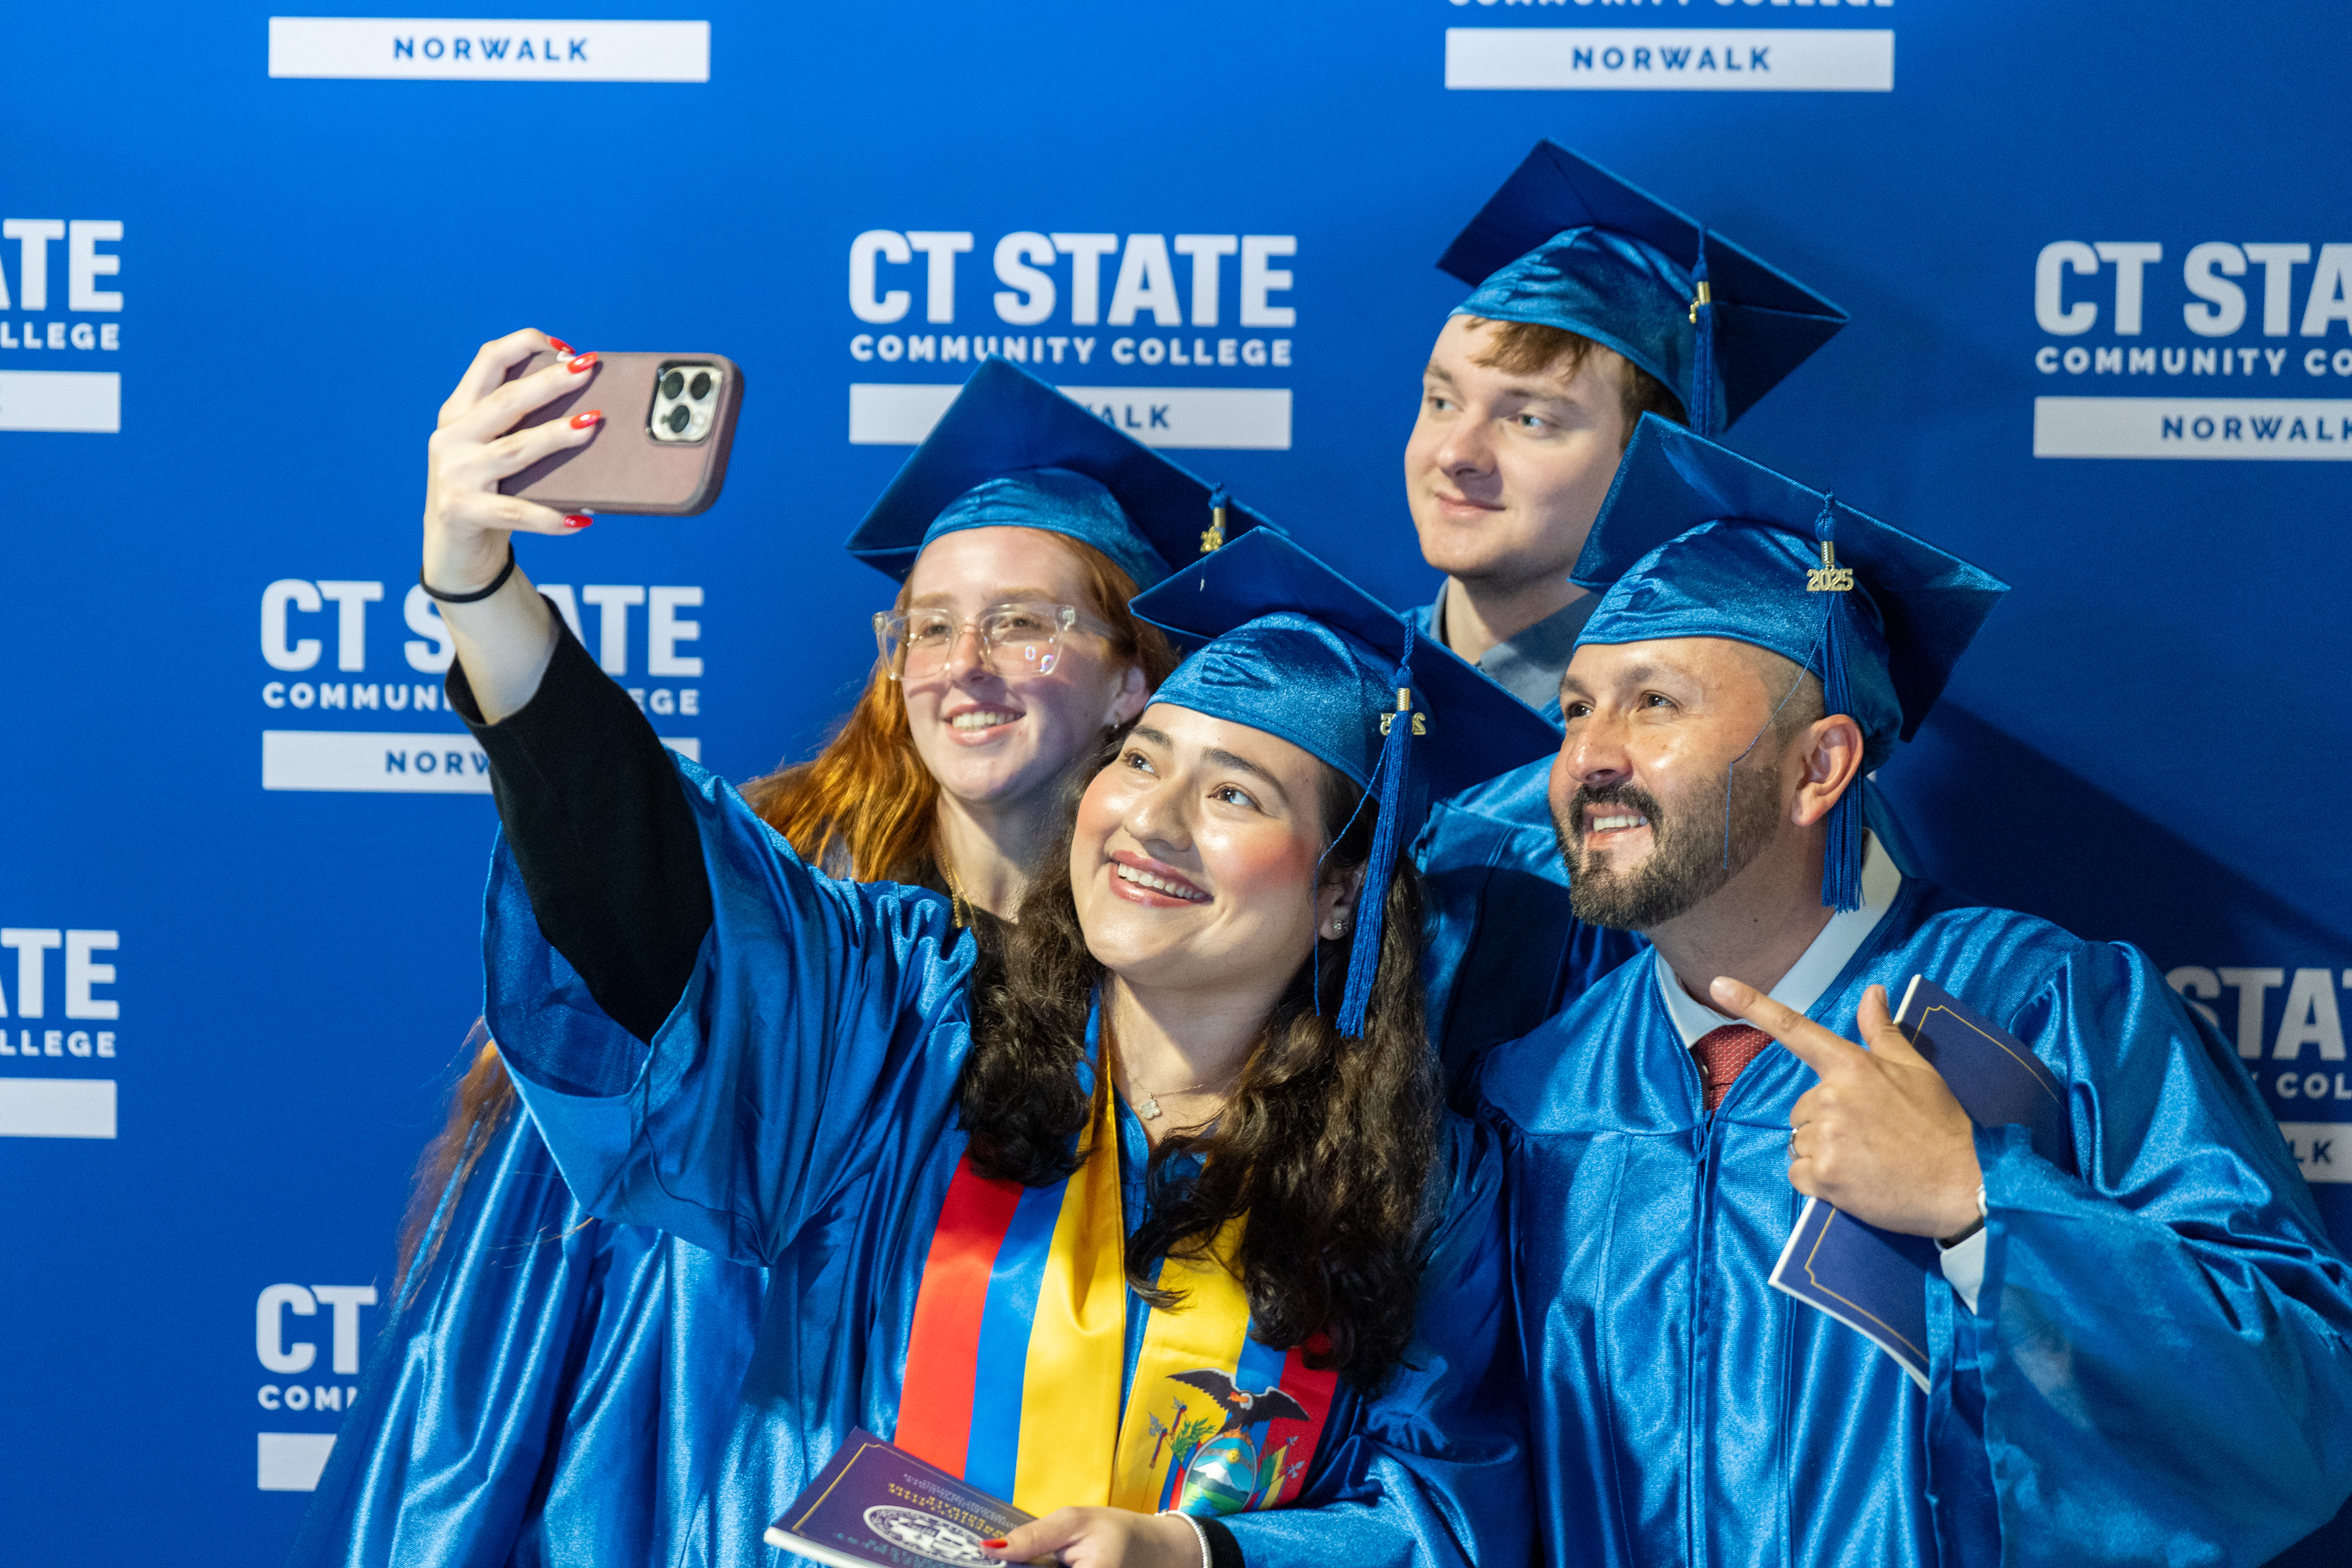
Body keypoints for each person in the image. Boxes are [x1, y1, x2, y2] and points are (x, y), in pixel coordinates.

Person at [381, 324, 1552, 1568]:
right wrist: (481, 593)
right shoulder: (909, 1035)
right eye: (1145, 764)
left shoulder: (1424, 1184)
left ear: (1341, 896)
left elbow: (1448, 1517)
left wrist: (1201, 1557)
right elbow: (646, 872)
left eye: (1234, 796)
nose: (1148, 816)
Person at [293, 349, 1253, 1565]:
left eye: (1023, 625)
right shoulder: (817, 939)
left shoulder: (1180, 999)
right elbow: (623, 841)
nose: (963, 665)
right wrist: (479, 593)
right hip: (705, 1467)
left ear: (1132, 681)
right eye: (930, 627)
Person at [1481, 415, 2352, 1566]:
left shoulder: (2049, 1012)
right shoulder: (1529, 1092)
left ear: (1821, 767)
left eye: (1654, 704)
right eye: (1577, 708)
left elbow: (2301, 1414)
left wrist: (1980, 1202)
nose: (1589, 756)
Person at [1403, 142, 1853, 1099]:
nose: (1456, 453)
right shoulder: (1332, 707)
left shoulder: (1734, 763)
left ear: (1651, 463)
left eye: (1530, 420)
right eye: (1441, 400)